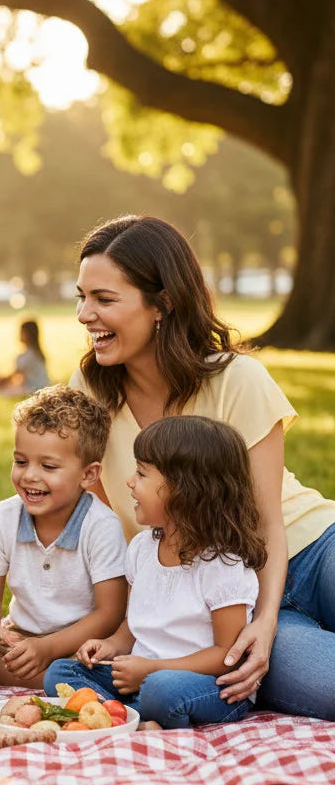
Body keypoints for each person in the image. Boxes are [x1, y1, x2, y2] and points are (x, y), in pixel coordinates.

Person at [72, 214, 335, 720]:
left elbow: (267, 523)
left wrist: (268, 620)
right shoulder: (88, 398)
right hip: (219, 600)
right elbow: (99, 527)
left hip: (311, 547)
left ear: (162, 304)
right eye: (81, 296)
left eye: (104, 299)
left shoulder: (239, 379)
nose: (85, 314)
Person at [44, 416, 266, 729]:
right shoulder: (141, 548)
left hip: (206, 686)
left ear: (185, 489)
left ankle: (123, 715)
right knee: (61, 672)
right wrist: (111, 645)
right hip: (142, 675)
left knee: (162, 689)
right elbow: (134, 624)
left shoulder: (223, 565)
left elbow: (226, 656)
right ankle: (129, 718)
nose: (129, 482)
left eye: (142, 473)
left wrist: (152, 669)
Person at [0, 384, 127, 688]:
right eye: (21, 461)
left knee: (100, 669)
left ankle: (58, 679)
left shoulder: (101, 526)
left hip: (82, 648)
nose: (29, 476)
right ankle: (47, 680)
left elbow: (111, 612)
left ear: (88, 475)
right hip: (21, 639)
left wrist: (48, 649)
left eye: (48, 466)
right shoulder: (3, 517)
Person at [0, 319, 51, 396]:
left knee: (0, 392)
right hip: (42, 387)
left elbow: (13, 376)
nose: (19, 335)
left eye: (21, 332)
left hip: (34, 389)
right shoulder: (36, 353)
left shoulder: (28, 356)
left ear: (29, 334)